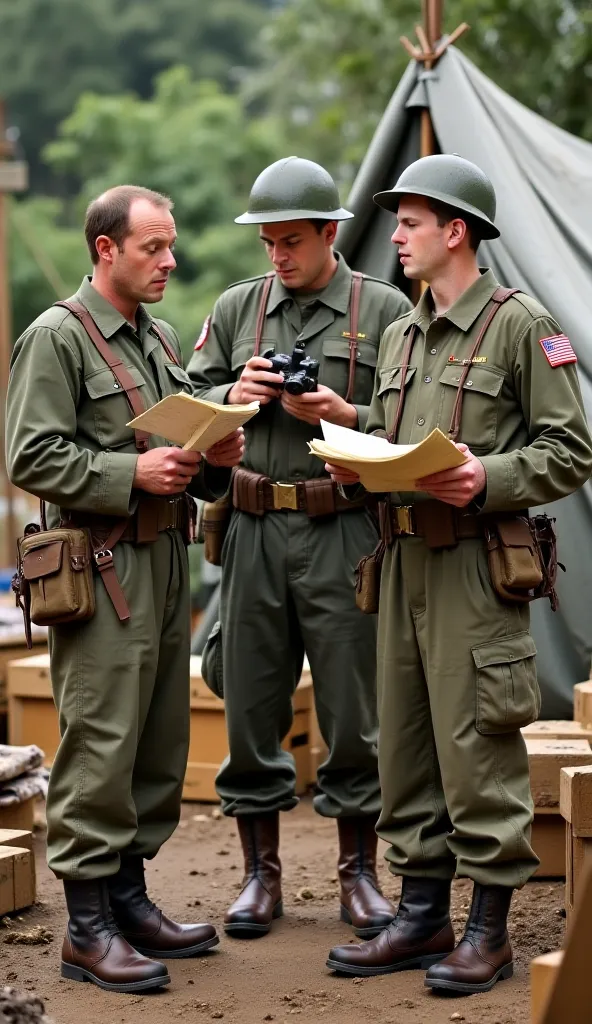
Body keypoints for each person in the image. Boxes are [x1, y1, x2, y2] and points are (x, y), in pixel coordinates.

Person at [325, 155, 592, 994]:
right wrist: (355, 446)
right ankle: (420, 916)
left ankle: (489, 930)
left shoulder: (522, 324)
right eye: (396, 222)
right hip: (399, 562)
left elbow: (571, 448)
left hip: (475, 568)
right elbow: (402, 433)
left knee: (477, 746)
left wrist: (489, 478)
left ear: (456, 230)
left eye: (409, 222)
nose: (395, 235)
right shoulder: (403, 332)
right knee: (403, 746)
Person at [6, 185, 244, 993]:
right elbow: (30, 456)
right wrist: (128, 471)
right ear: (106, 250)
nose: (170, 261)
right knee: (101, 742)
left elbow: (172, 441)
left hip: (163, 561)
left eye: (171, 246)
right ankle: (87, 927)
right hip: (99, 566)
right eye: (153, 247)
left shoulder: (160, 337)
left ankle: (130, 898)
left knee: (155, 741)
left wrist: (212, 455)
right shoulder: (56, 338)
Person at [187, 156, 412, 940]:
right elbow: (187, 405)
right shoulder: (238, 309)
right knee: (250, 700)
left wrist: (340, 410)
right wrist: (231, 398)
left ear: (329, 233)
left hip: (342, 524)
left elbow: (409, 425)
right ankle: (260, 872)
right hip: (251, 526)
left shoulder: (383, 310)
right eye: (267, 243)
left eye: (291, 241)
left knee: (356, 709)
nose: (277, 257)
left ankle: (358, 870)